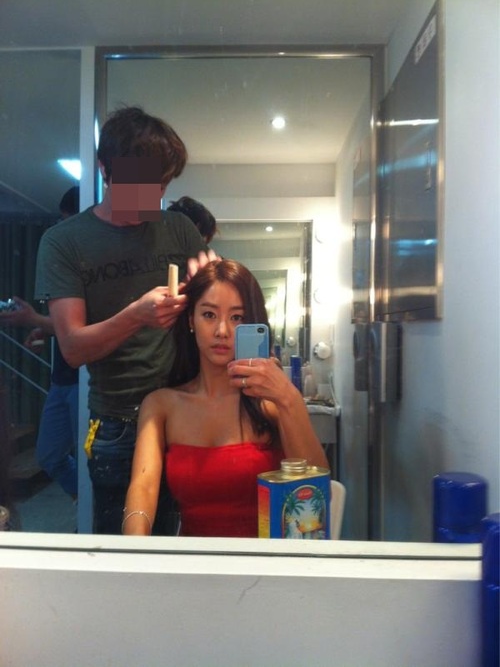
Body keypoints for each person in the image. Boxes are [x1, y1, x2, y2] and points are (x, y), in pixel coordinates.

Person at [34, 106, 214, 535]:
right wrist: (136, 316)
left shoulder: (178, 228)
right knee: (124, 551)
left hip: (186, 410)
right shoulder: (64, 241)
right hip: (118, 422)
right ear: (105, 170)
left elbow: (216, 307)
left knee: (191, 541)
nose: (153, 196)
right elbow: (73, 348)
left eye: (161, 185)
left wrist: (212, 284)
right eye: (140, 183)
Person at [123, 259, 328, 538]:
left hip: (267, 559)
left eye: (237, 318)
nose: (222, 331)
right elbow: (143, 487)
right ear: (191, 320)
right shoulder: (162, 405)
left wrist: (288, 398)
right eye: (209, 315)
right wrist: (135, 546)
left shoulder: (271, 402)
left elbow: (317, 494)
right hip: (193, 559)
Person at [0, 187, 81, 499]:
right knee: (49, 455)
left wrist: (33, 319)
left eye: (66, 220)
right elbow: (67, 324)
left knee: (90, 459)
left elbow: (81, 326)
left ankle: (89, 511)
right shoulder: (68, 258)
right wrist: (44, 329)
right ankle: (86, 504)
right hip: (62, 378)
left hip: (83, 379)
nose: (62, 228)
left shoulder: (88, 261)